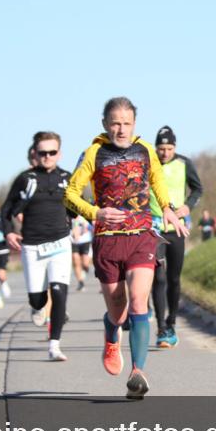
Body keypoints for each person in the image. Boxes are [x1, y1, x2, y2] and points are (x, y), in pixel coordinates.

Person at [65, 97, 189, 399]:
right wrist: (96, 213)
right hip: (108, 238)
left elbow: (158, 180)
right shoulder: (94, 153)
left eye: (127, 123)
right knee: (118, 311)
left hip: (141, 234)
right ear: (105, 124)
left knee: (138, 300)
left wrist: (168, 208)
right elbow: (70, 194)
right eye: (116, 123)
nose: (121, 129)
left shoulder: (146, 149)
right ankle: (111, 334)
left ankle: (138, 373)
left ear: (134, 123)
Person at [3, 131, 76, 362]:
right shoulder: (25, 179)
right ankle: (37, 306)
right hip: (33, 246)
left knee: (59, 292)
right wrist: (9, 232)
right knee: (37, 299)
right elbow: (7, 210)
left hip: (60, 243)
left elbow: (77, 208)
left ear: (59, 153)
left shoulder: (66, 177)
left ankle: (54, 345)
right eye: (43, 153)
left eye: (52, 152)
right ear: (35, 153)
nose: (47, 157)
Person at [150, 125, 204, 348]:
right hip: (154, 228)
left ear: (175, 147)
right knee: (158, 278)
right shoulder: (148, 162)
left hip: (177, 230)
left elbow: (198, 189)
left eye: (169, 148)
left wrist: (188, 207)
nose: (165, 153)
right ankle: (162, 328)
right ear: (156, 148)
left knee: (173, 278)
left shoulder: (184, 163)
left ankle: (172, 322)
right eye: (161, 148)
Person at [71, 215, 94, 292]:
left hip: (85, 241)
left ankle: (84, 271)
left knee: (85, 263)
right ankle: (80, 282)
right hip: (73, 241)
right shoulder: (68, 215)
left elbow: (91, 226)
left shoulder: (84, 214)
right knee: (76, 261)